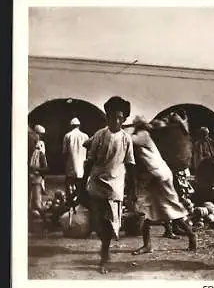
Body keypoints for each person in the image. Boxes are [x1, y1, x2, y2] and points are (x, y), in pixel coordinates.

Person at [77, 96, 138, 274]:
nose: (116, 121)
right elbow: (89, 161)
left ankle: (104, 255)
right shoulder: (99, 135)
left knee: (109, 222)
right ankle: (105, 251)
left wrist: (133, 188)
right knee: (97, 222)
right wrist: (82, 184)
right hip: (97, 183)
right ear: (107, 117)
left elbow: (130, 163)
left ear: (124, 119)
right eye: (112, 117)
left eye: (120, 118)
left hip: (115, 184)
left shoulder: (127, 139)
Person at [130, 116, 197, 255]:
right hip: (155, 177)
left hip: (159, 176)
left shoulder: (143, 135)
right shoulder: (144, 135)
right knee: (148, 209)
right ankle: (147, 245)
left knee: (170, 209)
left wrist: (123, 129)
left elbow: (129, 139)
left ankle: (191, 235)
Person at [62, 117, 89, 202]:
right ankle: (79, 201)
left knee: (70, 184)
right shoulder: (85, 136)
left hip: (71, 164)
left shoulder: (67, 136)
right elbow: (89, 151)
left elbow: (64, 152)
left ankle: (70, 201)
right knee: (80, 185)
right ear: (79, 126)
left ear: (71, 126)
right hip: (82, 165)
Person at [29, 125, 49, 214]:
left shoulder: (39, 152)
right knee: (32, 201)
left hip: (36, 178)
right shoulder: (32, 153)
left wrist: (37, 170)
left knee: (36, 201)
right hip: (32, 178)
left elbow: (45, 168)